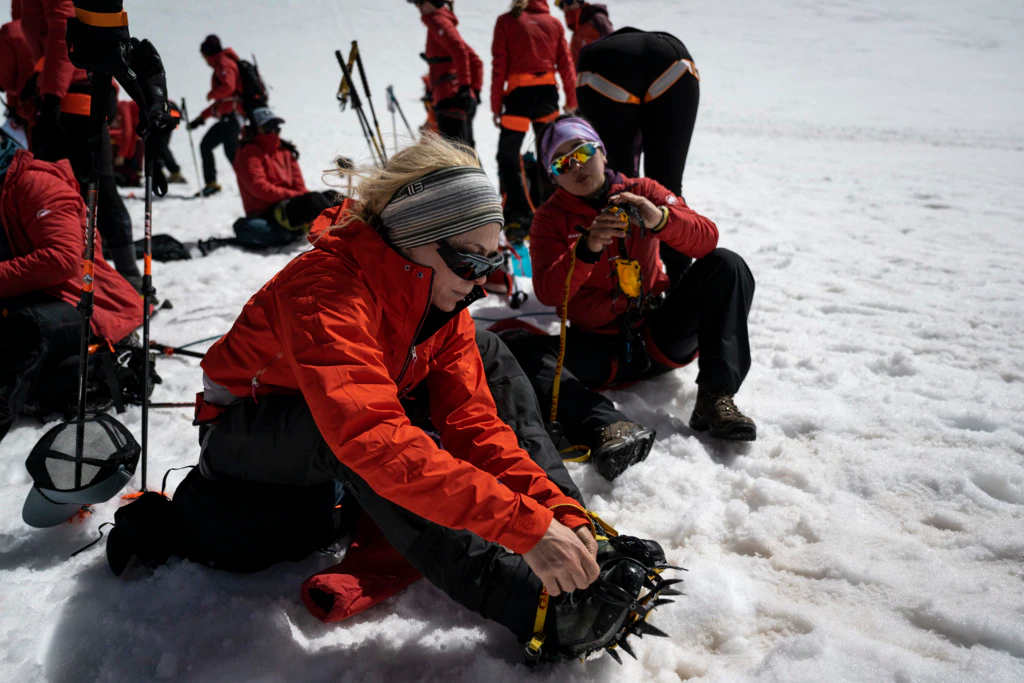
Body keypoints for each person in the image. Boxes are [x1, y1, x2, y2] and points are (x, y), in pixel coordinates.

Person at [191, 134, 669, 661]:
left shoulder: (441, 303)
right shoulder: (323, 292)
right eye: (470, 263)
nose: (480, 284)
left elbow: (478, 428)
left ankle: (579, 538)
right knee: (356, 440)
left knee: (489, 351)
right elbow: (374, 441)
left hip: (341, 424)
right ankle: (523, 599)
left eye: (491, 264)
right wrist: (524, 532)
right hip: (246, 436)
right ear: (417, 238)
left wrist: (557, 516)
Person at [503, 116, 756, 480]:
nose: (576, 166)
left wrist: (660, 220)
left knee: (727, 265)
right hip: (598, 347)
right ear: (552, 176)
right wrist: (587, 249)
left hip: (657, 335)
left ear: (602, 152)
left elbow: (706, 239)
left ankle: (715, 397)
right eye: (561, 163)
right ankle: (608, 425)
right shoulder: (550, 219)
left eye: (582, 151)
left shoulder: (642, 189)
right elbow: (549, 293)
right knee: (520, 351)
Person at [0, 132, 142, 443]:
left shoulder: (37, 185)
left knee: (24, 330)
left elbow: (62, 260)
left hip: (85, 299)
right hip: (33, 294)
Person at [18, 0, 141, 283]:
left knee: (70, 194)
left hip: (70, 103)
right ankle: (122, 279)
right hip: (76, 95)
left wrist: (50, 96)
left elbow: (62, 31)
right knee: (94, 192)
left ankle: (125, 282)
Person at [574, 28, 701, 280]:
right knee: (668, 187)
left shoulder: (592, 46)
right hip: (674, 59)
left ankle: (624, 283)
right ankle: (679, 280)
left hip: (603, 66)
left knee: (617, 187)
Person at [491, 0, 578, 243]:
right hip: (546, 95)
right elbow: (566, 64)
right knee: (549, 154)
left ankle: (520, 215)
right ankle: (553, 208)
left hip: (518, 96)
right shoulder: (554, 23)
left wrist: (496, 104)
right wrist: (571, 98)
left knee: (507, 156)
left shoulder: (507, 21)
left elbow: (499, 65)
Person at [230, 107, 337, 247]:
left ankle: (362, 223)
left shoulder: (284, 151)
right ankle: (342, 233)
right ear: (257, 128)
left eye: (276, 127)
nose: (273, 131)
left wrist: (300, 196)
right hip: (266, 211)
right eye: (268, 127)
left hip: (289, 204)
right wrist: (297, 196)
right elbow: (260, 188)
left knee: (332, 195)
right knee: (314, 200)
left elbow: (299, 184)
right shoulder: (248, 152)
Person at [409, 0, 483, 148]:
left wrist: (465, 88)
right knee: (465, 151)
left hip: (450, 97)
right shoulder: (443, 21)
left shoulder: (437, 21)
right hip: (454, 97)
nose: (418, 7)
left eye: (419, 2)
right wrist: (473, 90)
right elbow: (475, 60)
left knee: (456, 155)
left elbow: (460, 51)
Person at [189, 34, 243, 197]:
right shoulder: (222, 63)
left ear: (207, 54)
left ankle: (250, 184)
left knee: (232, 152)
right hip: (228, 117)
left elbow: (228, 88)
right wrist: (201, 118)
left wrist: (212, 93)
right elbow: (222, 101)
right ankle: (212, 184)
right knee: (210, 146)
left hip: (232, 117)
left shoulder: (223, 63)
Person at [0, 0, 34, 140]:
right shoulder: (61, 26)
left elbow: (5, 82)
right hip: (78, 104)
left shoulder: (11, 31)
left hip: (29, 110)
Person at [555, 0, 613, 67]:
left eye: (569, 2)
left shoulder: (597, 19)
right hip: (585, 76)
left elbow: (613, 44)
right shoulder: (575, 35)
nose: (565, 7)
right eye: (561, 6)